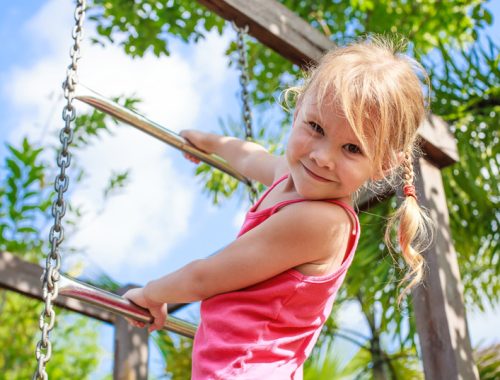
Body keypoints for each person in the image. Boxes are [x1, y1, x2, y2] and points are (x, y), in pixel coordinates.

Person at [123, 36, 432, 379]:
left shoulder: (321, 221)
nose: (322, 157)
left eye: (352, 149)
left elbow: (205, 276)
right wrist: (210, 143)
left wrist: (151, 293)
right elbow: (252, 156)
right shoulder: (291, 177)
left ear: (383, 166)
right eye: (316, 128)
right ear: (298, 109)